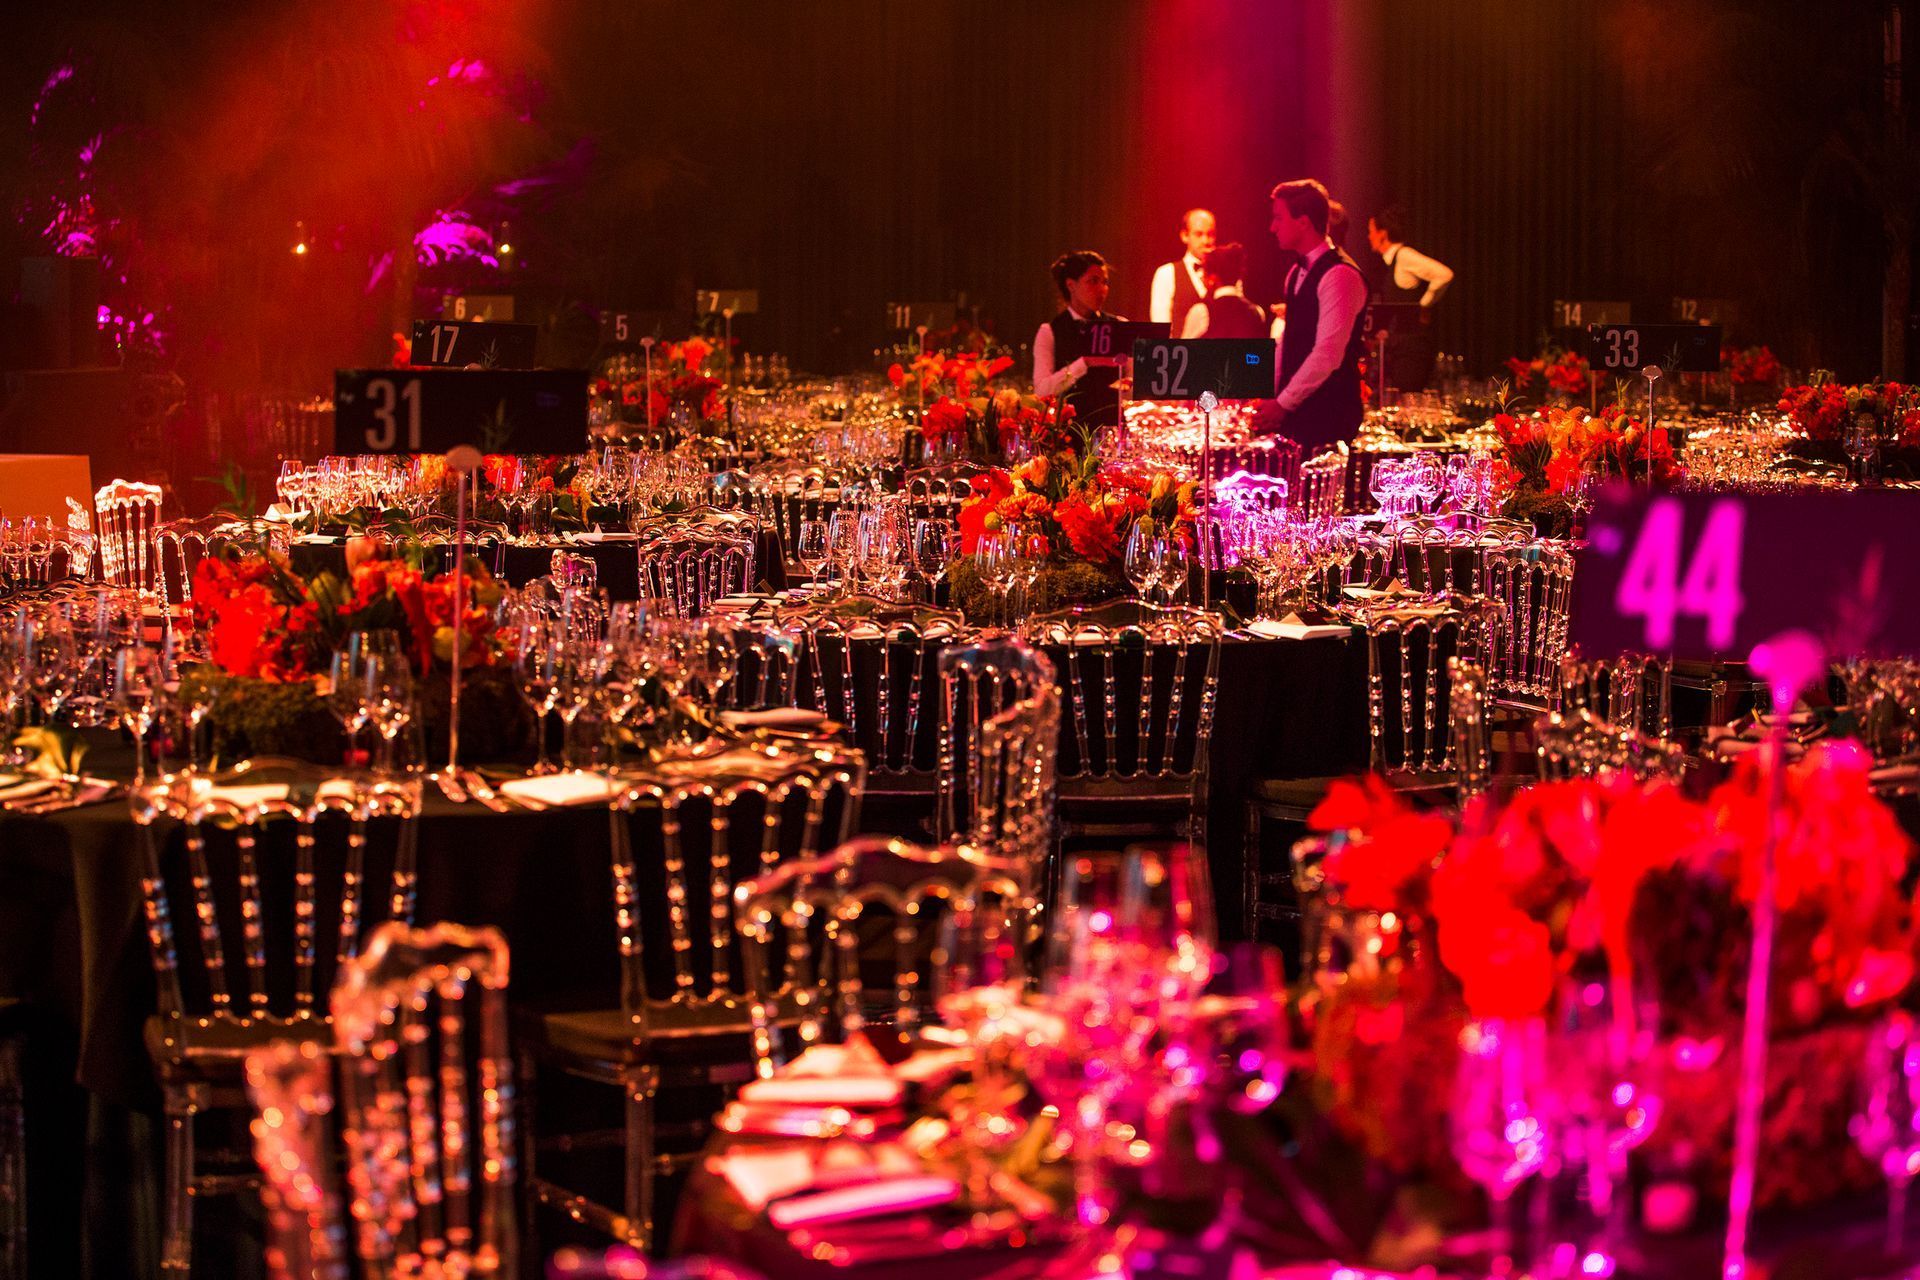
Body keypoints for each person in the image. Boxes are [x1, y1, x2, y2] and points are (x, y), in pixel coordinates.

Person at [1253, 179, 1369, 452]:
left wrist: (1282, 403)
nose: (1273, 227)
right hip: (1298, 414)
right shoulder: (1295, 272)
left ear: (1303, 222)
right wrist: (1271, 394)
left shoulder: (1340, 275)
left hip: (1329, 416)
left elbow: (1327, 354)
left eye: (1278, 218)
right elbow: (1289, 340)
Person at [1032, 250, 1125, 428]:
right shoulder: (1050, 331)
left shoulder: (1119, 325)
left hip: (1112, 429)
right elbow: (1042, 391)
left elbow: (1133, 380)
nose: (1101, 289)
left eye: (1105, 282)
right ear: (1071, 285)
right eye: (1093, 281)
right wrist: (1085, 363)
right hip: (1067, 433)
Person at [1367, 205, 1453, 392]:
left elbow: (1444, 274)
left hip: (1412, 347)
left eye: (1371, 231)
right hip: (1399, 345)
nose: (1369, 237)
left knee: (1407, 400)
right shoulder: (1390, 263)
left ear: (1383, 234)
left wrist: (1422, 306)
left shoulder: (1404, 255)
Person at [1148, 208, 1216, 336]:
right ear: (1185, 235)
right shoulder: (1166, 273)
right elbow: (1160, 329)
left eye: (1210, 234)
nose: (1205, 241)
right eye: (1199, 234)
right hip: (1182, 354)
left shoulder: (1225, 275)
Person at [1179, 243, 1268, 340]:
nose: (1202, 278)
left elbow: (1185, 352)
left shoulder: (1202, 311)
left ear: (1212, 279)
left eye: (1204, 273)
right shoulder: (1257, 312)